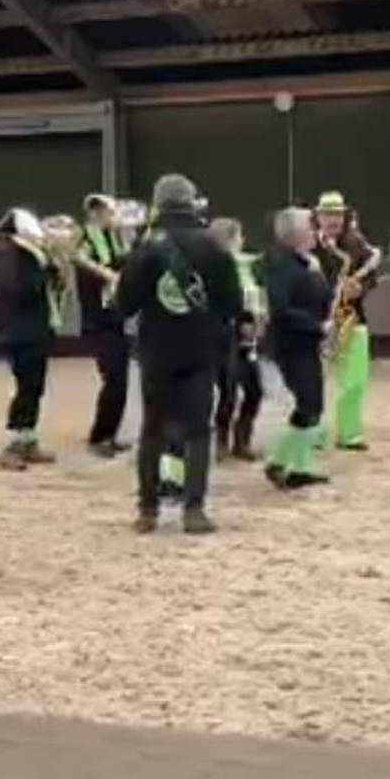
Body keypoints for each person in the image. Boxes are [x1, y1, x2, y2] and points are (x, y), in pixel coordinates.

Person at [116, 174, 242, 535]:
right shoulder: (213, 247)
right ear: (191, 202)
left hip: (157, 350)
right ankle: (194, 510)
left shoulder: (146, 248)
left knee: (152, 431)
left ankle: (147, 510)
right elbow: (233, 303)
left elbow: (124, 306)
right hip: (201, 351)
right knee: (198, 432)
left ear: (158, 204)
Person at [263, 207, 333, 490]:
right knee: (308, 402)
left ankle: (294, 465)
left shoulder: (304, 262)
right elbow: (280, 308)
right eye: (310, 224)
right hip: (290, 344)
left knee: (312, 403)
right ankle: (280, 462)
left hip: (305, 342)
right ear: (294, 233)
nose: (316, 229)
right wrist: (318, 326)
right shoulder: (281, 264)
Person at [0, 208, 61, 471]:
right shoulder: (12, 256)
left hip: (32, 329)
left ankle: (27, 439)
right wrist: (46, 269)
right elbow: (22, 289)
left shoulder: (28, 255)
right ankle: (15, 444)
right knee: (27, 386)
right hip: (20, 332)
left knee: (34, 386)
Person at [313, 192, 382, 451]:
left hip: (352, 318)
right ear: (318, 216)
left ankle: (349, 434)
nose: (334, 219)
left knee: (355, 381)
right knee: (312, 383)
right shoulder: (309, 244)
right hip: (316, 321)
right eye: (328, 214)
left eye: (338, 214)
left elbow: (372, 274)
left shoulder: (355, 243)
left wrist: (361, 286)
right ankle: (312, 433)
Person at [76, 194, 132, 458]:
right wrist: (110, 274)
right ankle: (99, 437)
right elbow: (86, 264)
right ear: (96, 214)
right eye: (110, 213)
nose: (115, 217)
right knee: (113, 380)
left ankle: (110, 434)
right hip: (97, 322)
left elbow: (123, 265)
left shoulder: (114, 240)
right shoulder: (85, 240)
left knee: (120, 380)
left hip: (115, 320)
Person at [208, 217, 264, 460]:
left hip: (248, 338)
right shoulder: (213, 268)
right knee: (228, 390)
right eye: (239, 236)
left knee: (254, 389)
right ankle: (221, 440)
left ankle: (242, 440)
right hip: (223, 337)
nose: (242, 240)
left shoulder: (244, 265)